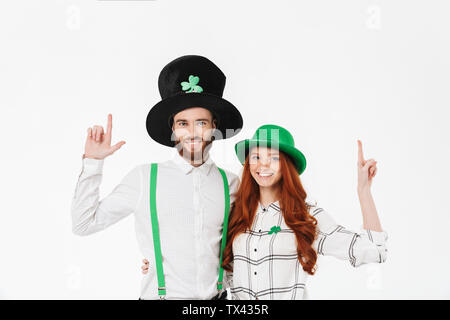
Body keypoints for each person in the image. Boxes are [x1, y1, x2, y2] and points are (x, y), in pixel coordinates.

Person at [142, 124, 388, 299]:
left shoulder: (305, 216)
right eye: (256, 157)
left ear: (287, 166)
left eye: (273, 158)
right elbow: (208, 258)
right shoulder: (235, 213)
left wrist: (363, 191)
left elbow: (374, 251)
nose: (262, 165)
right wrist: (159, 263)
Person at [71, 55, 243, 299]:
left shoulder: (232, 183)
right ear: (173, 128)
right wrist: (93, 163)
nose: (192, 132)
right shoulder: (144, 178)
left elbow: (238, 252)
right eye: (183, 123)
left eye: (201, 122)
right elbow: (83, 224)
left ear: (214, 125)